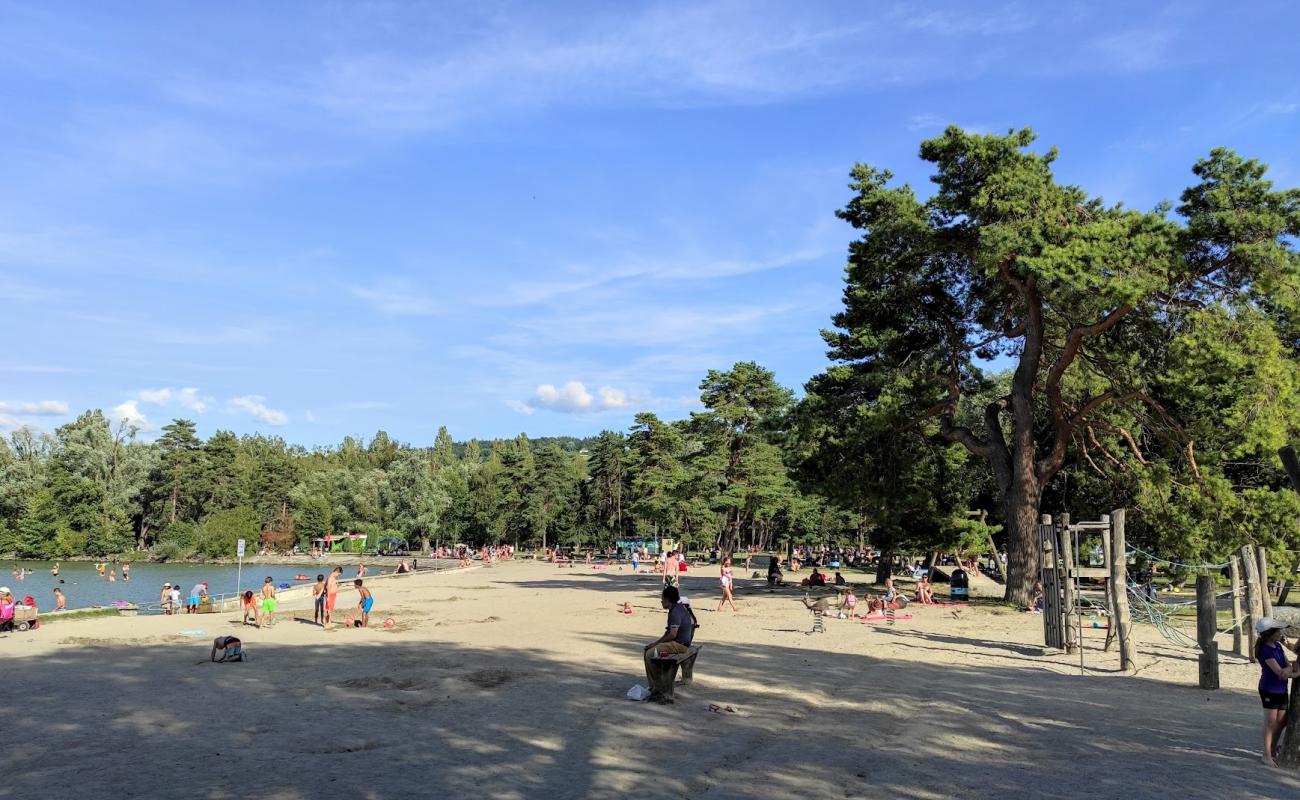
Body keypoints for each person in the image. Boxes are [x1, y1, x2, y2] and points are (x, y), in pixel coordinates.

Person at [1257, 618, 1300, 766]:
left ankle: (1273, 749)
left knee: (1281, 722)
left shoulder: (1278, 647)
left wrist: (1291, 671)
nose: (1281, 633)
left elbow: (1288, 667)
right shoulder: (1265, 650)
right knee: (1270, 722)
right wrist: (1291, 670)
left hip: (1281, 688)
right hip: (1269, 689)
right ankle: (1266, 754)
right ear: (1270, 633)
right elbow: (1280, 672)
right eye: (1278, 631)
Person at [642, 585, 697, 698]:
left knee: (649, 654)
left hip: (679, 645)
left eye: (662, 599)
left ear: (667, 599)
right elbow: (669, 633)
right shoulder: (677, 608)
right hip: (681, 642)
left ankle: (657, 686)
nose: (661, 601)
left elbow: (672, 634)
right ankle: (654, 684)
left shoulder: (675, 611)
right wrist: (657, 643)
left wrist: (656, 644)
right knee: (650, 650)